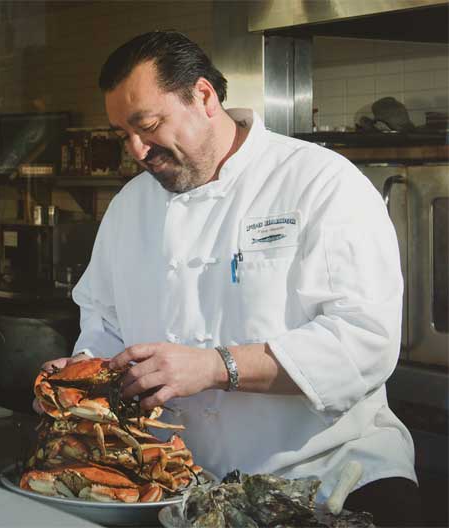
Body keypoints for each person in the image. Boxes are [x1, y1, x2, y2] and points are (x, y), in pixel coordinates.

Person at [43, 31, 422, 526]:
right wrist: (80, 380)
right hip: (181, 487)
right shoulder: (129, 207)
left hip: (329, 480)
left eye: (149, 125)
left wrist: (216, 366)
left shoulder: (320, 182)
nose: (137, 150)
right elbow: (103, 327)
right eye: (123, 134)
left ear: (203, 96)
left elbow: (364, 342)